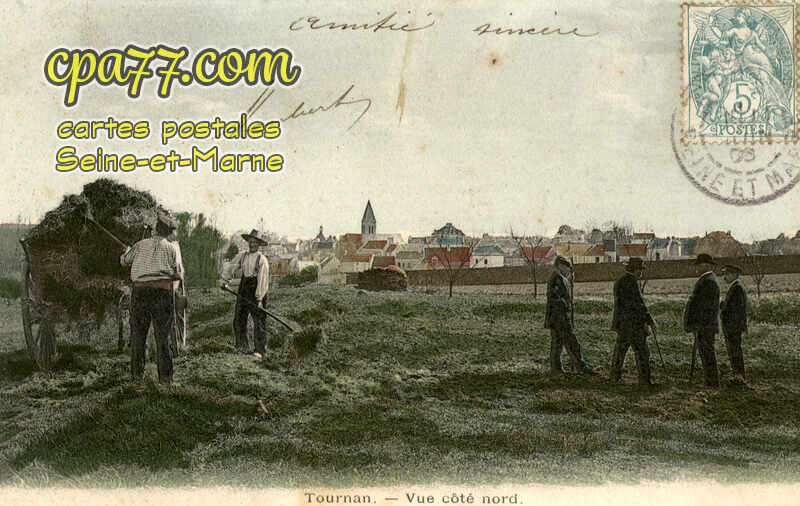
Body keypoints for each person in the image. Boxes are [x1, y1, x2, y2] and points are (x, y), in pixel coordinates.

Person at [120, 212, 184, 384]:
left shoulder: (139, 245)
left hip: (141, 294)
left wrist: (126, 251)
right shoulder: (171, 248)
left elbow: (124, 261)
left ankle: (137, 378)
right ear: (166, 232)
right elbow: (178, 274)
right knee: (163, 337)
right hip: (162, 294)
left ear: (155, 230)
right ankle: (166, 380)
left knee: (138, 336)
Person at [221, 229, 270, 357]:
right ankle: (242, 346)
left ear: (258, 244)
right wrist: (225, 280)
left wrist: (259, 299)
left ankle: (259, 350)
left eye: (255, 242)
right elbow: (232, 267)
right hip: (244, 287)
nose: (252, 244)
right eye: (250, 241)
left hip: (257, 289)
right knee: (239, 318)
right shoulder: (243, 256)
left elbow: (263, 280)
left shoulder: (262, 260)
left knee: (258, 320)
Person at [544, 255, 596, 375]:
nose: (569, 270)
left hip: (557, 318)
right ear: (561, 266)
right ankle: (581, 367)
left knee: (557, 344)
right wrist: (565, 305)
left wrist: (569, 281)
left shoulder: (559, 277)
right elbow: (554, 297)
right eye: (567, 268)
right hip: (560, 318)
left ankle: (556, 369)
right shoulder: (557, 277)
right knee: (572, 343)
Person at [610, 257, 657, 386]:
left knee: (620, 352)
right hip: (634, 326)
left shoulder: (620, 282)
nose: (641, 272)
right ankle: (645, 381)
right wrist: (650, 320)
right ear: (635, 270)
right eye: (640, 270)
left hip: (622, 324)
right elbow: (639, 305)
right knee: (642, 353)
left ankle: (614, 377)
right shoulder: (633, 283)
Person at [683, 253, 721, 387]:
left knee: (707, 353)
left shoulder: (709, 281)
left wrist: (698, 324)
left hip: (705, 325)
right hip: (704, 325)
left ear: (705, 265)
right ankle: (710, 381)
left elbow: (707, 308)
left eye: (699, 265)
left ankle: (712, 382)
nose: (697, 268)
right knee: (706, 353)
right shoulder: (707, 279)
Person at [720, 263, 748, 379]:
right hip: (733, 325)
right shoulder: (736, 287)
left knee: (734, 350)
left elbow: (735, 309)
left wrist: (721, 305)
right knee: (734, 350)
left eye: (727, 274)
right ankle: (737, 374)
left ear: (735, 274)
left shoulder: (737, 288)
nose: (724, 277)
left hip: (733, 326)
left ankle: (739, 375)